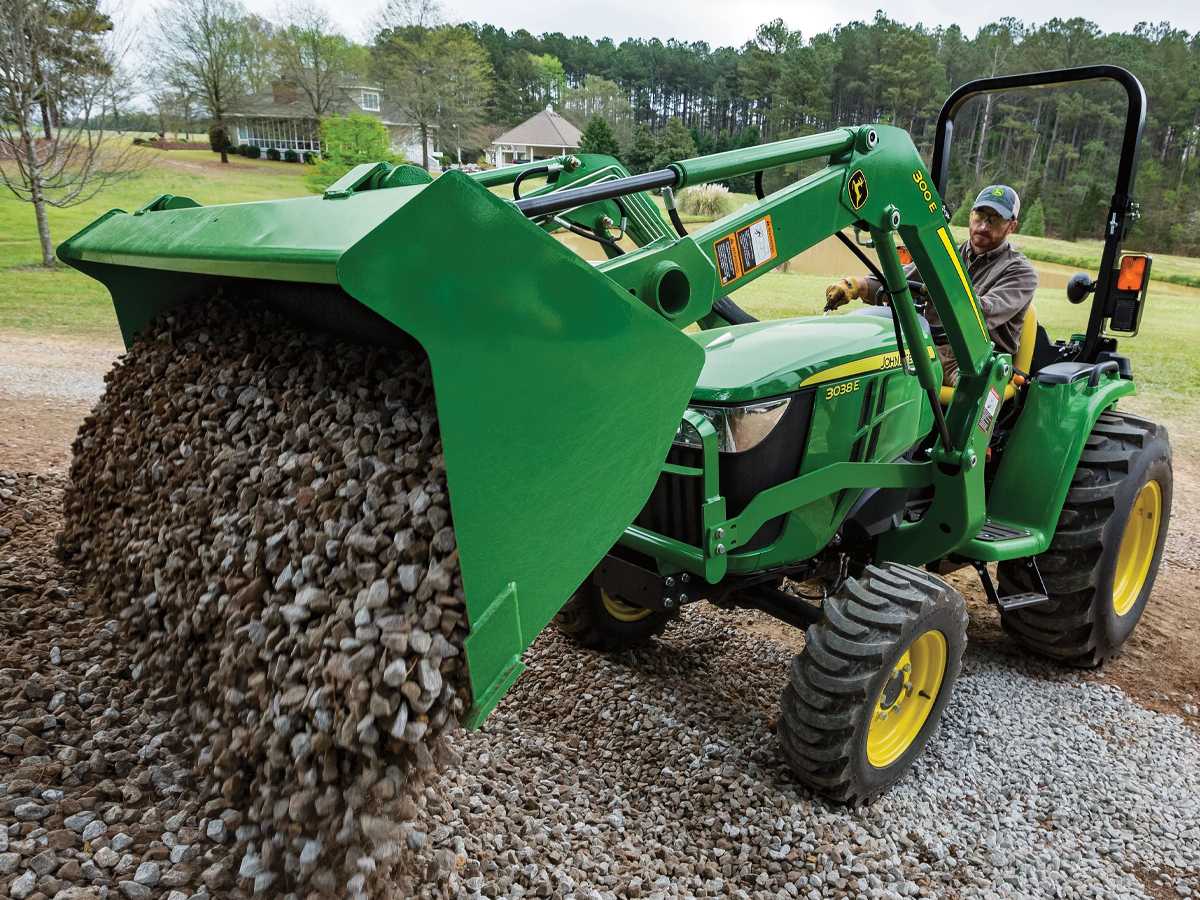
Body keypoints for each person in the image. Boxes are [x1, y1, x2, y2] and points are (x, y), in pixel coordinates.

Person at [824, 184, 1039, 386]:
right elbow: (901, 279)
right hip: (931, 347)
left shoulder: (1020, 272)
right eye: (980, 216)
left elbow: (978, 314)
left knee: (915, 378)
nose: (983, 226)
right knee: (868, 357)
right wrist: (857, 286)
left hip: (976, 362)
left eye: (994, 219)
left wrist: (935, 289)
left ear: (1011, 225)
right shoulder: (948, 254)